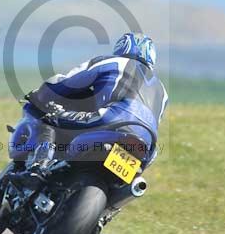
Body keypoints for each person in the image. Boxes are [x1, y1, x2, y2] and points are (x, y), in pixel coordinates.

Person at [17, 32, 168, 179]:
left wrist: (41, 95)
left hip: (111, 119)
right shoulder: (162, 91)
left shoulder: (114, 62)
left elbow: (67, 82)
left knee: (50, 119)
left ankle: (37, 170)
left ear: (122, 47)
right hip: (147, 144)